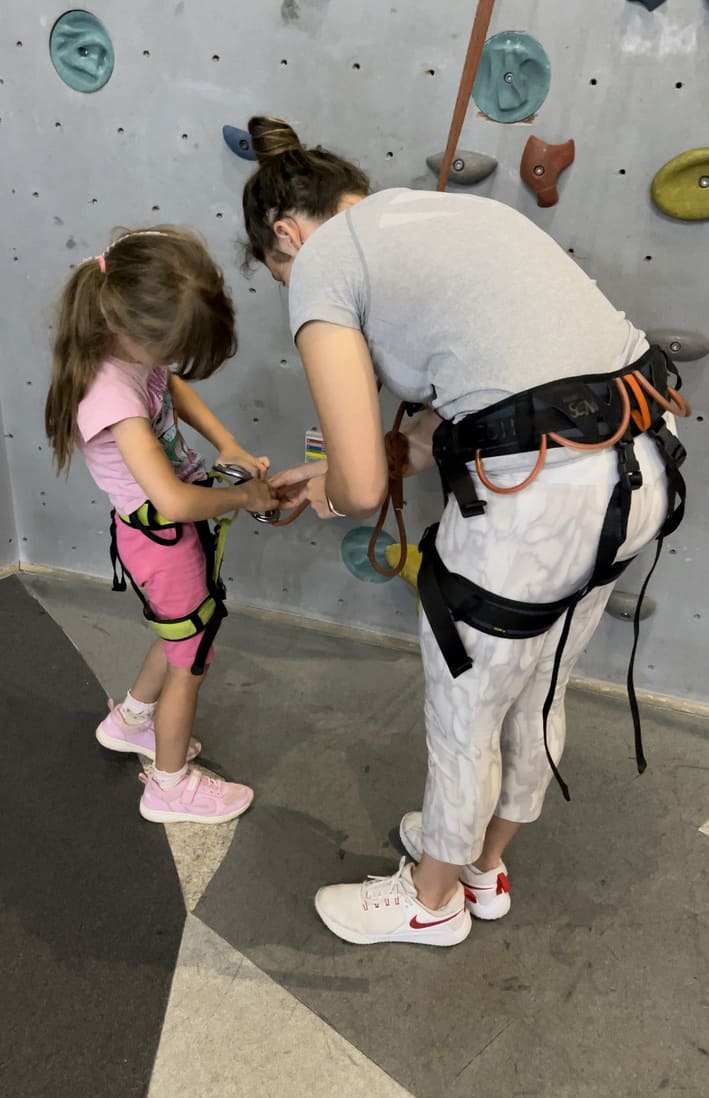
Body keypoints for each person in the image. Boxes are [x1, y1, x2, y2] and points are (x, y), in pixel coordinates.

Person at [241, 117, 688, 946]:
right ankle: (482, 862)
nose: (288, 285)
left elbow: (369, 479)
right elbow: (450, 424)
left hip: (543, 503)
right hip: (641, 470)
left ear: (285, 233)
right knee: (540, 678)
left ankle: (429, 897)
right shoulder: (450, 218)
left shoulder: (325, 261)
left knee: (466, 701)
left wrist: (337, 489)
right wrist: (335, 478)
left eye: (277, 273)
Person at [45, 227, 279, 824]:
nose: (173, 364)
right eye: (170, 349)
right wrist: (244, 495)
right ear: (135, 332)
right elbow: (173, 502)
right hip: (163, 539)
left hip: (160, 538)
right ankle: (169, 787)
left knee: (180, 632)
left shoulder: (125, 352)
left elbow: (170, 385)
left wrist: (226, 444)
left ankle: (130, 721)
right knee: (192, 660)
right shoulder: (113, 398)